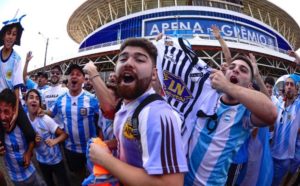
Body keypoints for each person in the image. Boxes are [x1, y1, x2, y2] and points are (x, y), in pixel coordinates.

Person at [86, 38, 188, 185]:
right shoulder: (127, 106)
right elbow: (133, 141)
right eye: (123, 58)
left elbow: (171, 183)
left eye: (140, 60)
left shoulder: (156, 114)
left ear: (154, 74)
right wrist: (108, 145)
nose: (128, 63)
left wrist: (105, 160)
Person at [184, 55, 277, 185]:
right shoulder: (206, 95)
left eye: (243, 70)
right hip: (181, 179)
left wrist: (227, 86)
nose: (235, 70)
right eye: (232, 67)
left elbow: (272, 114)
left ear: (250, 85)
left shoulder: (245, 113)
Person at [46, 64, 100, 184]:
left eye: (78, 74)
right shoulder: (60, 99)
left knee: (95, 176)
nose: (74, 76)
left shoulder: (91, 98)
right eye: (72, 74)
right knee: (78, 175)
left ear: (83, 79)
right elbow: (51, 112)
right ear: (68, 79)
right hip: (71, 149)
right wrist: (38, 111)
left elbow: (104, 117)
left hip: (91, 148)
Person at [0, 15, 35, 154]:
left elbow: (16, 87)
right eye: (8, 33)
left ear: (16, 38)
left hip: (13, 100)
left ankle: (28, 152)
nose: (10, 37)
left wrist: (15, 111)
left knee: (30, 133)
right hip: (0, 101)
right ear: (3, 35)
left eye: (14, 34)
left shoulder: (17, 59)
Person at [0, 88, 46, 186]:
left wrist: (29, 152)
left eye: (6, 112)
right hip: (14, 178)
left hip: (31, 174)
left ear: (14, 111)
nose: (2, 117)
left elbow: (33, 138)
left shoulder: (23, 127)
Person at [25, 89, 70, 186]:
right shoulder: (25, 120)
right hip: (41, 161)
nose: (34, 100)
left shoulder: (45, 119)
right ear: (26, 101)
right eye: (31, 97)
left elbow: (64, 134)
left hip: (56, 160)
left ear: (39, 104)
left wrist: (55, 141)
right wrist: (33, 142)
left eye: (37, 99)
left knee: (64, 183)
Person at [271, 74, 300, 186]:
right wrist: (258, 76)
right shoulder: (280, 105)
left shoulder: (298, 107)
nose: (288, 86)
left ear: (297, 89)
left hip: (285, 159)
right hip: (271, 153)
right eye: (287, 84)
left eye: (291, 84)